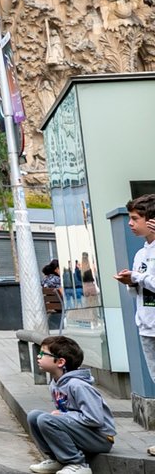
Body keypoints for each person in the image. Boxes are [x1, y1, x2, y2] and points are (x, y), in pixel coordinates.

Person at [26, 335, 115, 474]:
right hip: (83, 433)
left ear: (60, 362)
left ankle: (77, 464)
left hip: (100, 438)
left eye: (43, 353)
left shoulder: (78, 385)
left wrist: (63, 415)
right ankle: (57, 460)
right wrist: (62, 416)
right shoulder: (56, 383)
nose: (39, 356)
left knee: (46, 419)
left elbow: (95, 419)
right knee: (34, 416)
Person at [116, 193, 155, 457]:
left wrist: (138, 277)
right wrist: (131, 282)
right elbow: (142, 290)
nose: (130, 224)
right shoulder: (141, 252)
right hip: (147, 325)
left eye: (135, 219)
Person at [43, 259, 65, 331]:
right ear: (56, 269)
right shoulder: (58, 279)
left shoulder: (46, 279)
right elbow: (62, 293)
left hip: (52, 304)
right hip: (60, 305)